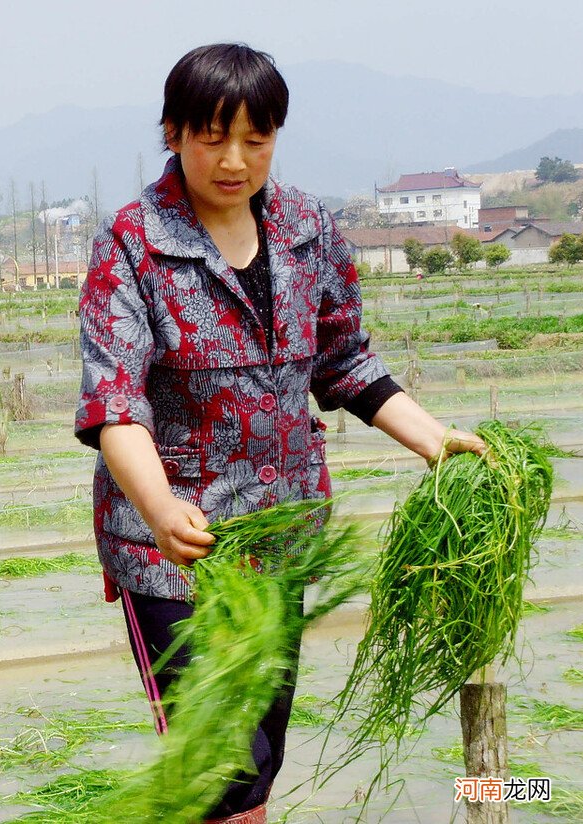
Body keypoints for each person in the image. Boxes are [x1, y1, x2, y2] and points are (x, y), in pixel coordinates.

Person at [75, 44, 485, 824]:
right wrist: (160, 509)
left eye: (256, 140)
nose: (235, 160)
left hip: (283, 533)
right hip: (173, 550)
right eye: (212, 138)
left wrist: (434, 438)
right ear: (172, 133)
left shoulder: (306, 227)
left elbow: (344, 360)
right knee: (216, 768)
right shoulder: (131, 241)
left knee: (260, 756)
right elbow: (114, 401)